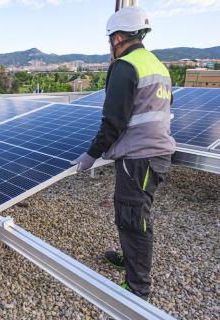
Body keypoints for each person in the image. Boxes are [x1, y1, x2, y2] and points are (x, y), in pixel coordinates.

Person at [71, 7, 175, 300]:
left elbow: (113, 120)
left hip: (140, 158)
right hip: (152, 155)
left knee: (134, 218)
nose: (110, 47)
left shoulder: (126, 66)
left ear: (118, 38)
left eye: (110, 41)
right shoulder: (157, 65)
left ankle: (137, 288)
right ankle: (130, 263)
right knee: (130, 213)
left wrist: (92, 154)